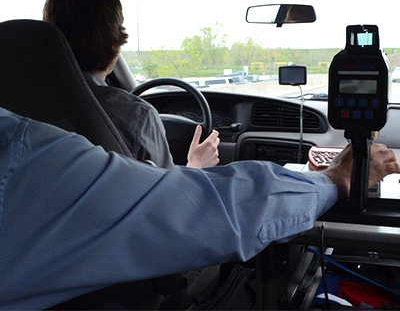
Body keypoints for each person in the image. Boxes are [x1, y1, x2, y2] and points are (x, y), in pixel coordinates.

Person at [0, 107, 398, 309]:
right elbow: (205, 210)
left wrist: (187, 173)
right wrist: (335, 180)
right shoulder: (20, 145)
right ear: (113, 45)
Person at [42, 0, 219, 170]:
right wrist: (196, 164)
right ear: (114, 44)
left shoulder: (17, 108)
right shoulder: (137, 115)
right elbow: (168, 197)